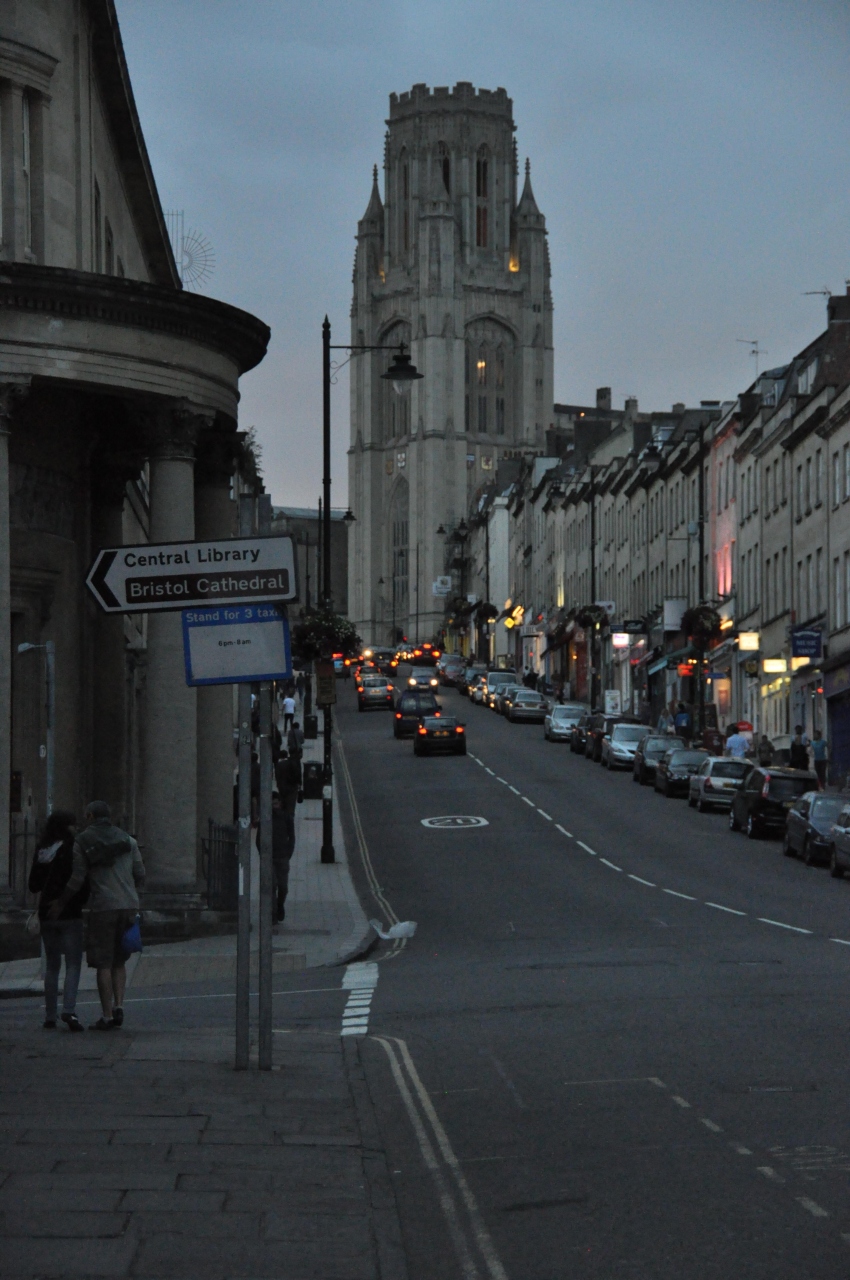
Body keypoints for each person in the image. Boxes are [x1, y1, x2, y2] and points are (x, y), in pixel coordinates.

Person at [48, 800, 145, 1031]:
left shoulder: (82, 842)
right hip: (128, 905)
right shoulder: (128, 840)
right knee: (120, 960)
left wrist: (61, 903)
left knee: (103, 962)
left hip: (103, 907)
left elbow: (77, 878)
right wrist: (131, 893)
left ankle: (107, 1015)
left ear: (90, 816)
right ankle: (119, 1005)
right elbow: (140, 874)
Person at [28, 810, 88, 1032]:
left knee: (52, 965)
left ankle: (50, 1015)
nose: (76, 828)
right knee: (73, 964)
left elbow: (33, 885)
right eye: (73, 824)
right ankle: (69, 1009)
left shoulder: (43, 850)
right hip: (70, 912)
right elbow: (82, 881)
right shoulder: (73, 848)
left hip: (47, 914)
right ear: (67, 827)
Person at [258, 793, 294, 922]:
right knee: (272, 886)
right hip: (270, 858)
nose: (274, 807)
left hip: (283, 857)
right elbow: (258, 839)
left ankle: (279, 905)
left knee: (283, 887)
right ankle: (272, 914)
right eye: (272, 804)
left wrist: (288, 853)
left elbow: (292, 837)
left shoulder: (286, 818)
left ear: (280, 803)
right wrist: (263, 855)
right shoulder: (265, 819)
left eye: (276, 804)